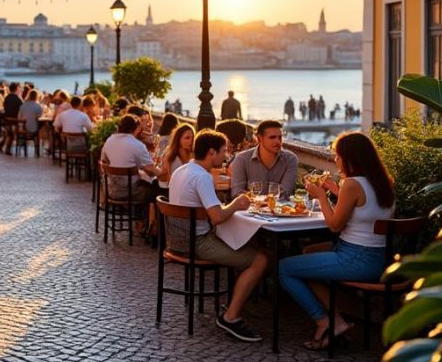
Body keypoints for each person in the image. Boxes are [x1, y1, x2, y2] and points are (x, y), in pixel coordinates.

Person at [278, 132, 396, 350]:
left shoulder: (352, 184)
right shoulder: (382, 181)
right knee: (309, 253)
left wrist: (321, 196)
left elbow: (334, 225)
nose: (335, 160)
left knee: (283, 268)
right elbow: (363, 209)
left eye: (337, 155)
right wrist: (336, 192)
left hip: (357, 258)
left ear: (350, 157)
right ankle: (338, 321)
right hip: (379, 257)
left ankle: (324, 321)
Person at [166, 129, 267, 343]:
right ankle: (231, 316)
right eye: (224, 151)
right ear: (211, 152)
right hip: (197, 243)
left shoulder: (182, 170)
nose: (226, 156)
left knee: (246, 245)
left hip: (176, 240)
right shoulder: (202, 177)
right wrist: (237, 203)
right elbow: (218, 217)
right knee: (260, 260)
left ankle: (236, 301)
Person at [229, 120, 299, 197]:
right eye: (272, 137)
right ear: (259, 139)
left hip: (279, 207)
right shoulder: (241, 159)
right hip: (250, 208)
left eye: (280, 137)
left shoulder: (290, 159)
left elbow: (285, 192)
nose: (278, 141)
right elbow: (237, 192)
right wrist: (260, 202)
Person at [100, 115, 158, 203]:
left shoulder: (109, 141)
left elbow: (104, 161)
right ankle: (146, 216)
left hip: (110, 191)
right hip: (131, 193)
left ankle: (133, 213)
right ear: (136, 128)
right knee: (156, 192)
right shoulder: (137, 145)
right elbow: (151, 172)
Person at [0, 82, 23, 154]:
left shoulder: (6, 98)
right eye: (19, 88)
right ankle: (7, 149)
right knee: (11, 134)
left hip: (7, 119)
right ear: (16, 89)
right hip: (15, 120)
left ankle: (1, 144)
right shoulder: (18, 99)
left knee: (9, 133)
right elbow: (22, 109)